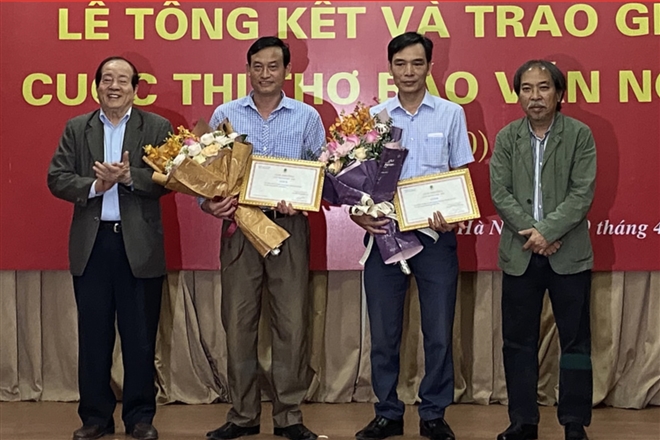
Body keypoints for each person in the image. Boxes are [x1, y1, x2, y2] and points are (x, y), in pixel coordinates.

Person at [200, 36, 325, 440]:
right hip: (239, 228)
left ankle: (289, 416)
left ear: (287, 70)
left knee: (292, 324)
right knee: (239, 323)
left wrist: (303, 200)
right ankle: (243, 415)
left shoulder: (307, 117)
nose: (265, 73)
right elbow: (205, 176)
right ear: (247, 69)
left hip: (288, 228)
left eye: (273, 66)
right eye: (257, 66)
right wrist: (211, 205)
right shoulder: (225, 114)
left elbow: (322, 174)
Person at [352, 32, 474, 440]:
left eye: (417, 63)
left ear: (430, 67)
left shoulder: (451, 114)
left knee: (438, 333)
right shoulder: (375, 117)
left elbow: (460, 174)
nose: (409, 72)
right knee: (383, 333)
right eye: (400, 64)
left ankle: (433, 413)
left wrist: (454, 214)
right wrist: (360, 215)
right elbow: (358, 181)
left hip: (435, 239)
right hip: (384, 236)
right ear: (390, 67)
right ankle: (387, 412)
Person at [47, 56, 173, 440]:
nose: (113, 86)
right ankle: (95, 418)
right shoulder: (77, 128)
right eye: (107, 80)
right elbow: (57, 177)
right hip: (93, 245)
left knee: (140, 338)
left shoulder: (156, 127)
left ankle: (140, 418)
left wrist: (130, 177)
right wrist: (95, 187)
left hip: (139, 245)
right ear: (97, 86)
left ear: (135, 88)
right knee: (94, 337)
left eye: (122, 80)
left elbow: (170, 179)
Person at [489, 60, 596, 440]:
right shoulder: (507, 138)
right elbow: (500, 193)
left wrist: (547, 232)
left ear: (559, 93)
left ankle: (574, 422)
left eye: (543, 87)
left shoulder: (580, 135)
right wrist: (534, 235)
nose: (535, 96)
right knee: (517, 342)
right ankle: (523, 421)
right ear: (518, 95)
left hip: (569, 255)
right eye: (527, 89)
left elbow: (582, 193)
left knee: (576, 342)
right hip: (520, 255)